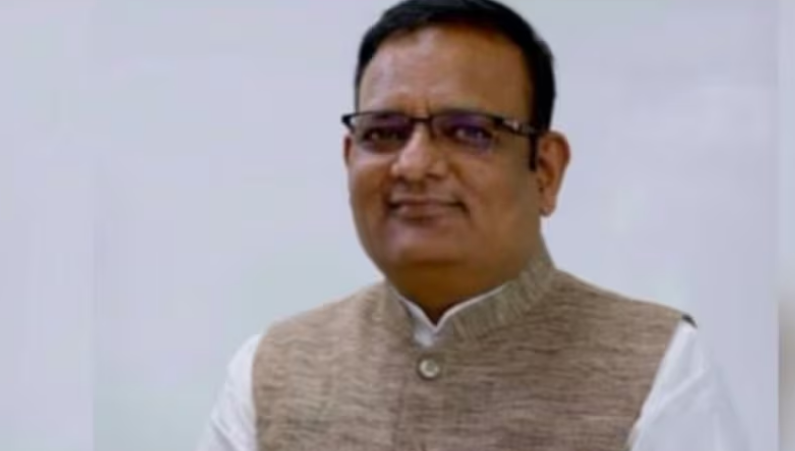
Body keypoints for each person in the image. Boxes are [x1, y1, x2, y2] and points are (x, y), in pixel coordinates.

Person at [197, 0, 747, 450]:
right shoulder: (269, 373)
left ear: (545, 170)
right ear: (349, 159)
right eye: (384, 132)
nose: (414, 165)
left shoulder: (661, 369)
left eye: (468, 131)